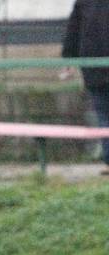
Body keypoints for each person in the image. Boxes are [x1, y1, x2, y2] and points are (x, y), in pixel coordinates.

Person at [62, 0, 109, 174]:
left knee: (104, 115)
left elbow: (73, 30)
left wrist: (68, 58)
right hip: (94, 67)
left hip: (93, 67)